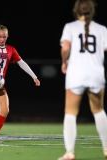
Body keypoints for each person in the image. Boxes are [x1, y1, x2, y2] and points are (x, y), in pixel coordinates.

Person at [58, 0, 107, 159]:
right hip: (96, 74)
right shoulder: (102, 29)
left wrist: (64, 62)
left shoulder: (70, 27)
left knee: (70, 113)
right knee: (99, 111)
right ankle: (106, 148)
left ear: (76, 11)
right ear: (92, 11)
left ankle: (70, 153)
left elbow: (65, 48)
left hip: (76, 74)